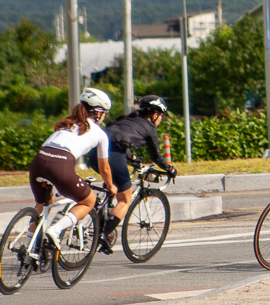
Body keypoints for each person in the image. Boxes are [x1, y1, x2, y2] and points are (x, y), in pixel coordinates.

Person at [27, 87, 117, 248]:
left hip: (38, 162)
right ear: (98, 112)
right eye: (105, 113)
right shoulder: (100, 134)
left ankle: (29, 249)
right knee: (89, 201)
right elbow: (104, 168)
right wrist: (111, 186)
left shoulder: (66, 124)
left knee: (44, 204)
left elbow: (49, 151)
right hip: (61, 166)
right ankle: (56, 230)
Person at [102, 94, 178, 253]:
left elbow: (115, 140)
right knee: (125, 199)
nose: (161, 119)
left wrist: (132, 158)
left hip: (95, 153)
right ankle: (103, 234)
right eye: (161, 116)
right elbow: (156, 157)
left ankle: (99, 217)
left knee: (112, 186)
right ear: (155, 114)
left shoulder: (127, 121)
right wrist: (170, 169)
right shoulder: (149, 128)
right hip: (113, 154)